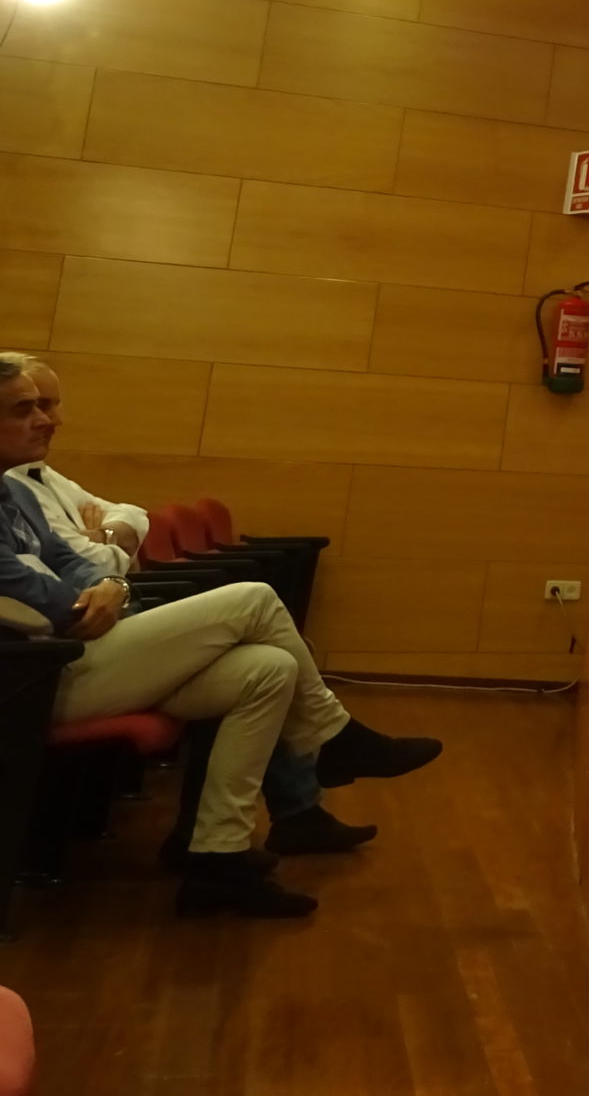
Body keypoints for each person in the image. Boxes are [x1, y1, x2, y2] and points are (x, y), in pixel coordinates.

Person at [0, 363, 441, 919]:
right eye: (24, 409)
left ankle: (216, 857)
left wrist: (113, 585)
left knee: (268, 668)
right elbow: (48, 598)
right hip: (29, 678)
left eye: (42, 406)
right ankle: (332, 736)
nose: (47, 420)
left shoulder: (14, 493)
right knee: (253, 598)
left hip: (75, 656)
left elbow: (87, 568)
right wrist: (96, 591)